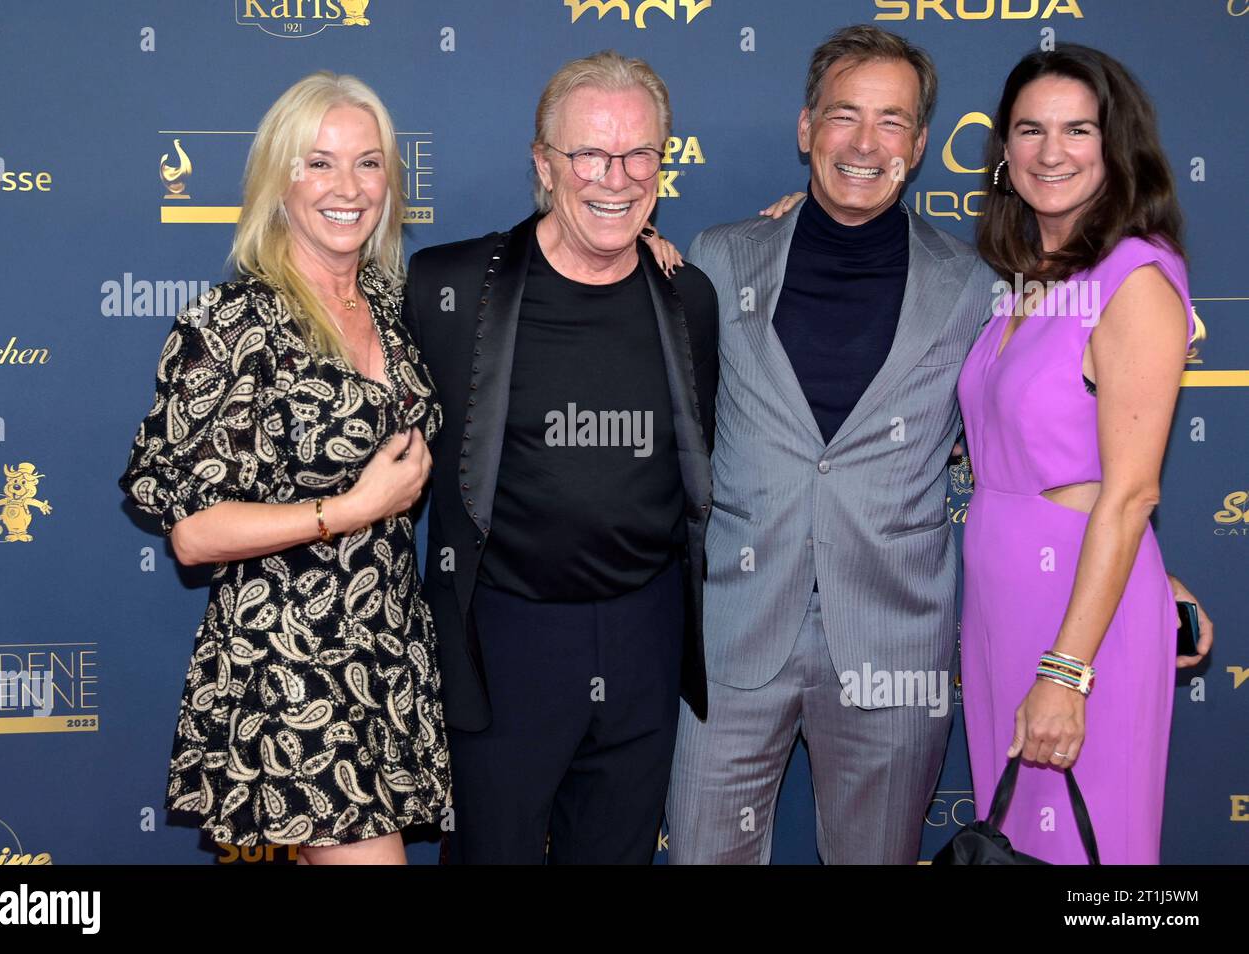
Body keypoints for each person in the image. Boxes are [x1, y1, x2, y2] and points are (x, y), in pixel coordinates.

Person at [665, 25, 997, 865]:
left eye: (892, 121)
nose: (864, 142)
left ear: (920, 145)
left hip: (895, 643)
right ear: (807, 127)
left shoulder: (975, 288)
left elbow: (1033, 443)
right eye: (844, 115)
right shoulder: (722, 257)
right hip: (736, 631)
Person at [119, 72, 447, 865]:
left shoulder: (390, 304)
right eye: (319, 163)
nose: (348, 187)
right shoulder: (232, 324)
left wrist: (639, 239)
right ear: (278, 179)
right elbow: (193, 535)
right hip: (292, 666)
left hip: (385, 651)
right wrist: (355, 506)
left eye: (369, 164)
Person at [402, 50, 718, 864]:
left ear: (661, 163)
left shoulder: (689, 297)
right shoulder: (449, 288)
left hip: (647, 635)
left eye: (638, 153)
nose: (614, 176)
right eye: (588, 154)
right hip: (506, 638)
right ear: (544, 164)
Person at [957, 44, 1209, 863]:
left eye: (1078, 130)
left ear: (1116, 146)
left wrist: (1067, 672)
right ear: (1005, 152)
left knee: (1083, 852)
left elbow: (1131, 493)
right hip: (1001, 604)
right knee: (1017, 845)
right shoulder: (1030, 275)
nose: (1050, 151)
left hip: (1076, 629)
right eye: (1029, 130)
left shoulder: (1135, 278)